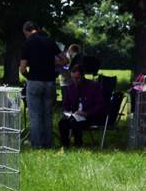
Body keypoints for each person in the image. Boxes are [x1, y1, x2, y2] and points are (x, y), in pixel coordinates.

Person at [19, 20, 63, 149]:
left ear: (26, 31)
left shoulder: (27, 43)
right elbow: (65, 60)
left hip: (35, 81)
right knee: (47, 114)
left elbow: (22, 69)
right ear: (37, 29)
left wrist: (29, 77)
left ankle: (37, 144)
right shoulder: (50, 41)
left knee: (35, 115)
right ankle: (48, 143)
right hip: (50, 82)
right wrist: (50, 64)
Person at [58, 62, 106, 148]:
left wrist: (87, 113)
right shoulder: (70, 87)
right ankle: (65, 146)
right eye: (73, 78)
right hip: (74, 115)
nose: (75, 81)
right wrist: (68, 112)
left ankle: (78, 145)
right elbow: (66, 104)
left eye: (77, 78)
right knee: (62, 123)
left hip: (90, 117)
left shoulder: (93, 86)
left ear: (83, 76)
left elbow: (100, 105)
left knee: (75, 123)